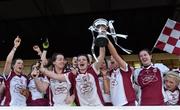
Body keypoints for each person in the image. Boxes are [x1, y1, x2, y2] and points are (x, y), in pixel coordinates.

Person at [40, 46, 106, 106]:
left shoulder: (92, 69)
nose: (81, 61)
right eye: (79, 60)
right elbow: (56, 76)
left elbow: (101, 56)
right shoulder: (72, 74)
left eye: (84, 59)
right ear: (77, 63)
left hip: (98, 106)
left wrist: (102, 41)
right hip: (82, 107)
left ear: (88, 63)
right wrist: (43, 70)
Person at [106, 39, 136, 106]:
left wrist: (106, 39)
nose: (111, 58)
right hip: (115, 105)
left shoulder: (125, 69)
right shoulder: (111, 72)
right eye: (111, 57)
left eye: (113, 57)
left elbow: (114, 53)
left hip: (127, 104)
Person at [1, 36, 29, 106]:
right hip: (11, 106)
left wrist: (25, 93)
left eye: (22, 64)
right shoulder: (9, 75)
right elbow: (8, 61)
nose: (21, 65)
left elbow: (27, 95)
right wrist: (15, 47)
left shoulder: (25, 78)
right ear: (13, 66)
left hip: (23, 107)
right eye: (19, 63)